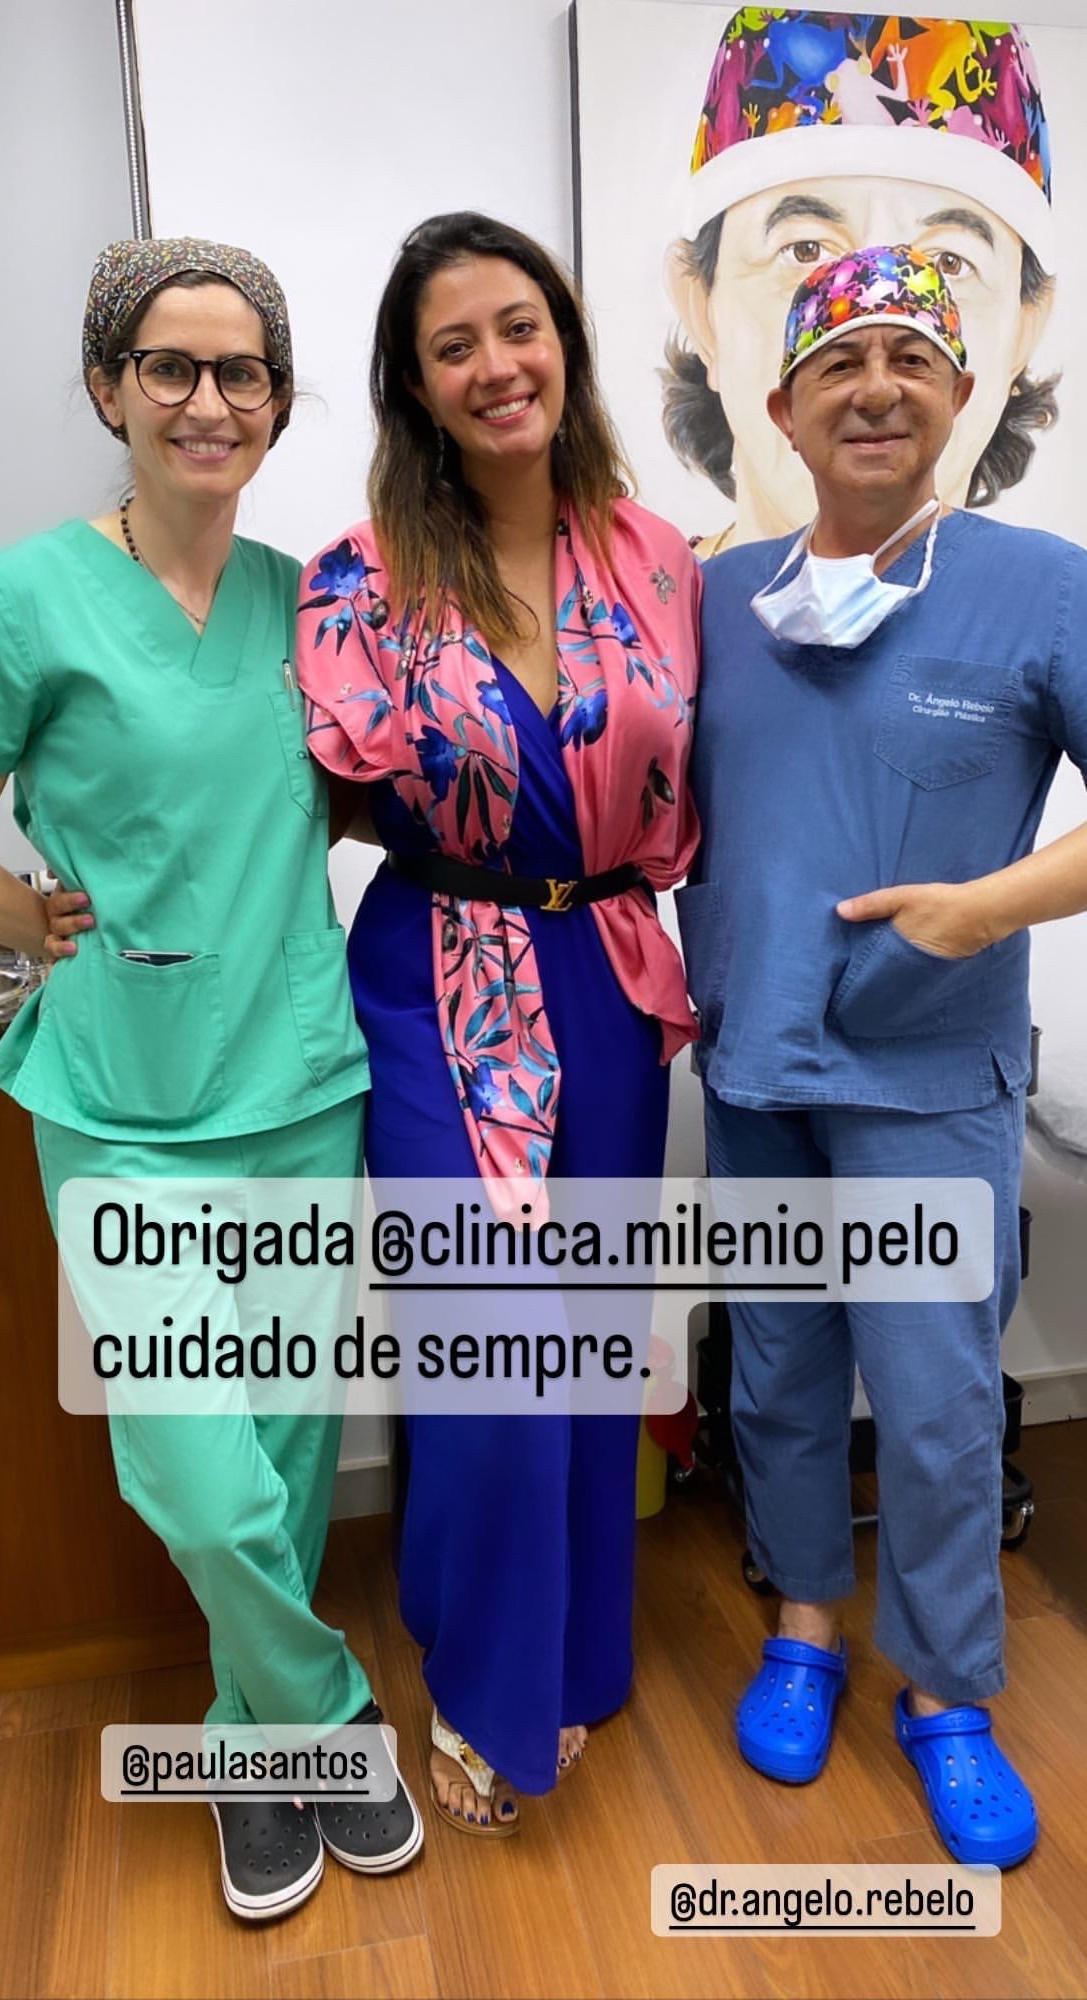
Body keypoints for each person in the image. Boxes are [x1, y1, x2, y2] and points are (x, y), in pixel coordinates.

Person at [0, 238, 422, 1919]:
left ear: (279, 403)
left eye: (242, 372)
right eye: (170, 366)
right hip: (120, 1102)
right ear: (111, 386)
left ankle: (251, 1749)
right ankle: (330, 1715)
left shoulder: (318, 603)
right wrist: (31, 913)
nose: (208, 400)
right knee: (200, 1483)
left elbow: (371, 791)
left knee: (284, 1472)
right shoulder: (19, 597)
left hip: (298, 1084)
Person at [681, 240, 1087, 1868]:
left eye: (910, 356)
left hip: (925, 1075)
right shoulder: (716, 600)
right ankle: (804, 1626)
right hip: (757, 1065)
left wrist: (985, 908)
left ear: (962, 393)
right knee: (778, 1376)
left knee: (930, 1404)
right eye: (837, 361)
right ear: (782, 406)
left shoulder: (1038, 584)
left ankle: (945, 1690)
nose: (874, 388)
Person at [296, 211, 701, 1833]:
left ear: (565, 342)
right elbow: (299, 803)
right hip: (435, 971)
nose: (493, 364)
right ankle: (482, 1680)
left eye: (517, 327)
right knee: (491, 1337)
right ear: (415, 383)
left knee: (587, 1336)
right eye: (451, 344)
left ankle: (573, 1652)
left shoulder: (659, 557)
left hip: (605, 969)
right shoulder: (360, 578)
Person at [664, 10, 1057, 553]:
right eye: (806, 251)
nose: (872, 329)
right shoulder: (649, 605)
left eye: (948, 263)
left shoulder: (1058, 596)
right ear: (701, 308)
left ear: (1024, 330)